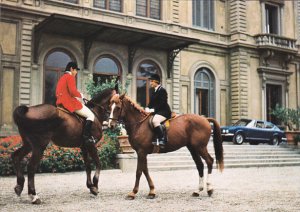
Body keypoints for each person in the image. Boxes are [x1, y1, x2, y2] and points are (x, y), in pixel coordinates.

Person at [56, 61, 95, 145]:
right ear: (71, 69)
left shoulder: (62, 77)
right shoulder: (70, 77)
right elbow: (73, 92)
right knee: (91, 115)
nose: (76, 72)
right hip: (69, 103)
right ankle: (86, 137)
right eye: (76, 70)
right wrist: (81, 95)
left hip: (60, 103)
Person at [146, 74, 171, 146]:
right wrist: (147, 107)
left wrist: (153, 110)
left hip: (164, 111)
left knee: (155, 121)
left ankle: (162, 138)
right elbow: (151, 102)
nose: (150, 83)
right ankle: (154, 138)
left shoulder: (162, 90)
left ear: (155, 81)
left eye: (151, 81)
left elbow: (162, 104)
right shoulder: (153, 91)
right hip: (157, 111)